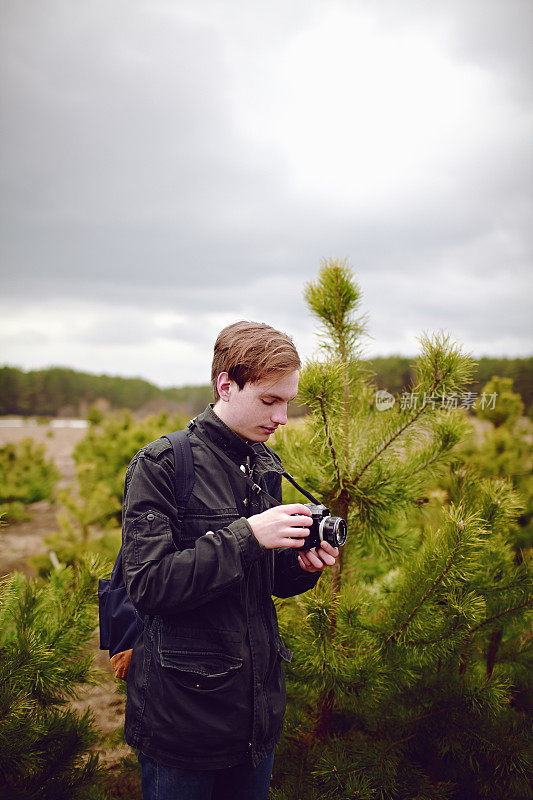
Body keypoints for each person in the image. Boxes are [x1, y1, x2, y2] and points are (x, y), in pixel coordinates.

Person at [122, 320, 340, 800]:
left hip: (256, 722)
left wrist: (299, 570)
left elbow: (268, 582)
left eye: (288, 401)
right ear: (226, 385)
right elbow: (149, 585)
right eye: (269, 401)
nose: (282, 417)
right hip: (181, 727)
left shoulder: (264, 465)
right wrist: (247, 536)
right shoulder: (162, 465)